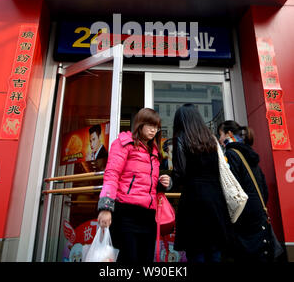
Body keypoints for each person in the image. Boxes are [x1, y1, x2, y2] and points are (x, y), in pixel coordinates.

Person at [97, 108, 171, 263]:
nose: (153, 130)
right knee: (128, 258)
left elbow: (142, 180)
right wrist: (106, 207)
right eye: (150, 125)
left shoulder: (154, 152)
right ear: (140, 124)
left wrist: (162, 183)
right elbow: (111, 175)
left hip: (148, 216)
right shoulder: (124, 143)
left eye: (156, 127)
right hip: (126, 213)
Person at [171, 104, 231, 263]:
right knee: (214, 250)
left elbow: (180, 173)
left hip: (193, 200)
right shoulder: (212, 139)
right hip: (215, 199)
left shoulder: (181, 138)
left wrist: (170, 182)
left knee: (196, 252)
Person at [218, 120, 272, 262]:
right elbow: (264, 189)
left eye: (220, 134)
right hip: (259, 213)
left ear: (229, 134)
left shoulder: (231, 154)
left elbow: (231, 189)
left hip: (243, 218)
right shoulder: (250, 154)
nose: (219, 139)